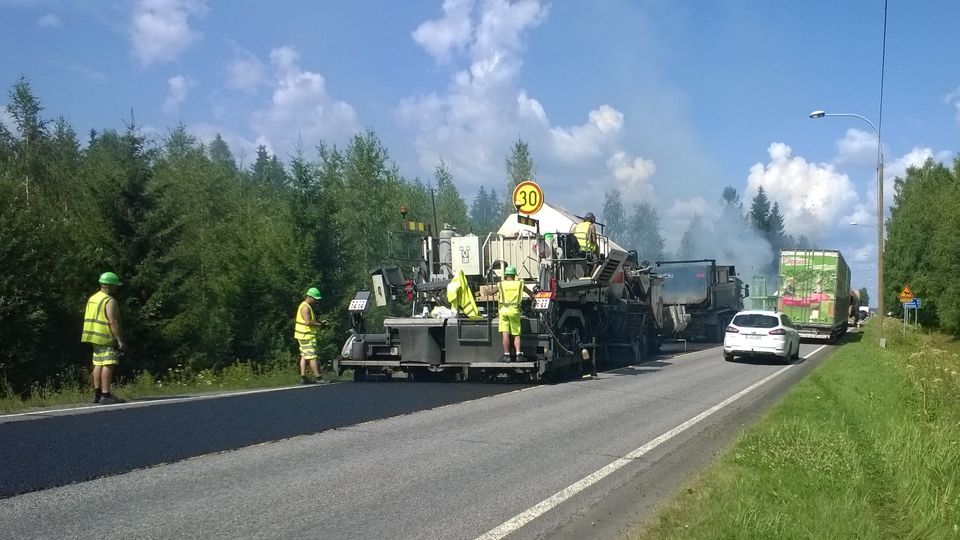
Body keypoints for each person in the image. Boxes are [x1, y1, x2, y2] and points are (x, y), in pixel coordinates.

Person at [81, 272, 126, 404]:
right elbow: (113, 321)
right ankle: (106, 395)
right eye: (115, 285)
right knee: (109, 363)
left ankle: (97, 394)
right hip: (105, 336)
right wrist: (119, 340)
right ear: (109, 286)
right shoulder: (109, 301)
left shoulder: (93, 298)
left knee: (98, 363)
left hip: (93, 336)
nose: (116, 288)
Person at [498, 266, 533, 361]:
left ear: (505, 275)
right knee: (516, 334)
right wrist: (533, 297)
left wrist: (488, 291)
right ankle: (518, 355)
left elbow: (491, 292)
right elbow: (530, 293)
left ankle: (506, 355)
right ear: (514, 275)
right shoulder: (519, 284)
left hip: (503, 311)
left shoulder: (501, 284)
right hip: (514, 311)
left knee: (505, 334)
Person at [295, 287, 329, 384]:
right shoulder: (305, 307)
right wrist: (320, 325)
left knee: (304, 356)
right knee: (312, 357)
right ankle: (318, 377)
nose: (315, 301)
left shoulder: (305, 306)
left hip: (303, 335)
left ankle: (303, 377)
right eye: (315, 299)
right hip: (306, 336)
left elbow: (311, 320)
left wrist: (320, 322)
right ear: (309, 297)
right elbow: (308, 322)